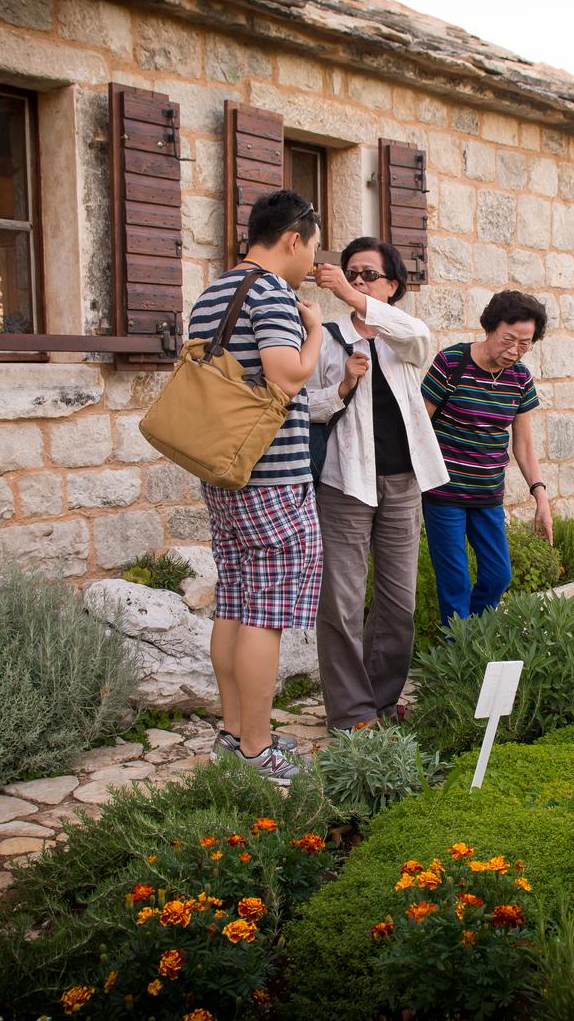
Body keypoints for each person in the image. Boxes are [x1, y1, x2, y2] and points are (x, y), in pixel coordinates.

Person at [190, 188, 325, 784]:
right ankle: (256, 747)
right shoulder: (273, 292)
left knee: (234, 602)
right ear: (293, 238)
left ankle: (233, 732)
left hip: (223, 470)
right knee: (263, 614)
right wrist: (315, 333)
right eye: (313, 248)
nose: (311, 262)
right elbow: (286, 375)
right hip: (272, 477)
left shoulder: (214, 291)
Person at [306, 238, 449, 731]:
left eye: (369, 274)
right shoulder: (324, 337)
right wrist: (342, 385)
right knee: (342, 602)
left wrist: (349, 292)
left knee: (398, 601)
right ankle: (351, 713)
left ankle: (383, 699)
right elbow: (304, 407)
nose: (359, 281)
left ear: (392, 285)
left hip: (404, 482)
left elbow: (421, 334)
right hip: (345, 484)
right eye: (351, 273)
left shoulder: (403, 338)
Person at [420, 290, 553, 625]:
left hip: (488, 496)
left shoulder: (520, 378)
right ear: (490, 327)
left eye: (525, 343)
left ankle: (474, 637)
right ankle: (458, 656)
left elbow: (522, 445)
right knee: (456, 585)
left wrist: (541, 495)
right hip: (444, 494)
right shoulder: (451, 363)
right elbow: (419, 426)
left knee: (497, 576)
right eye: (509, 339)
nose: (514, 351)